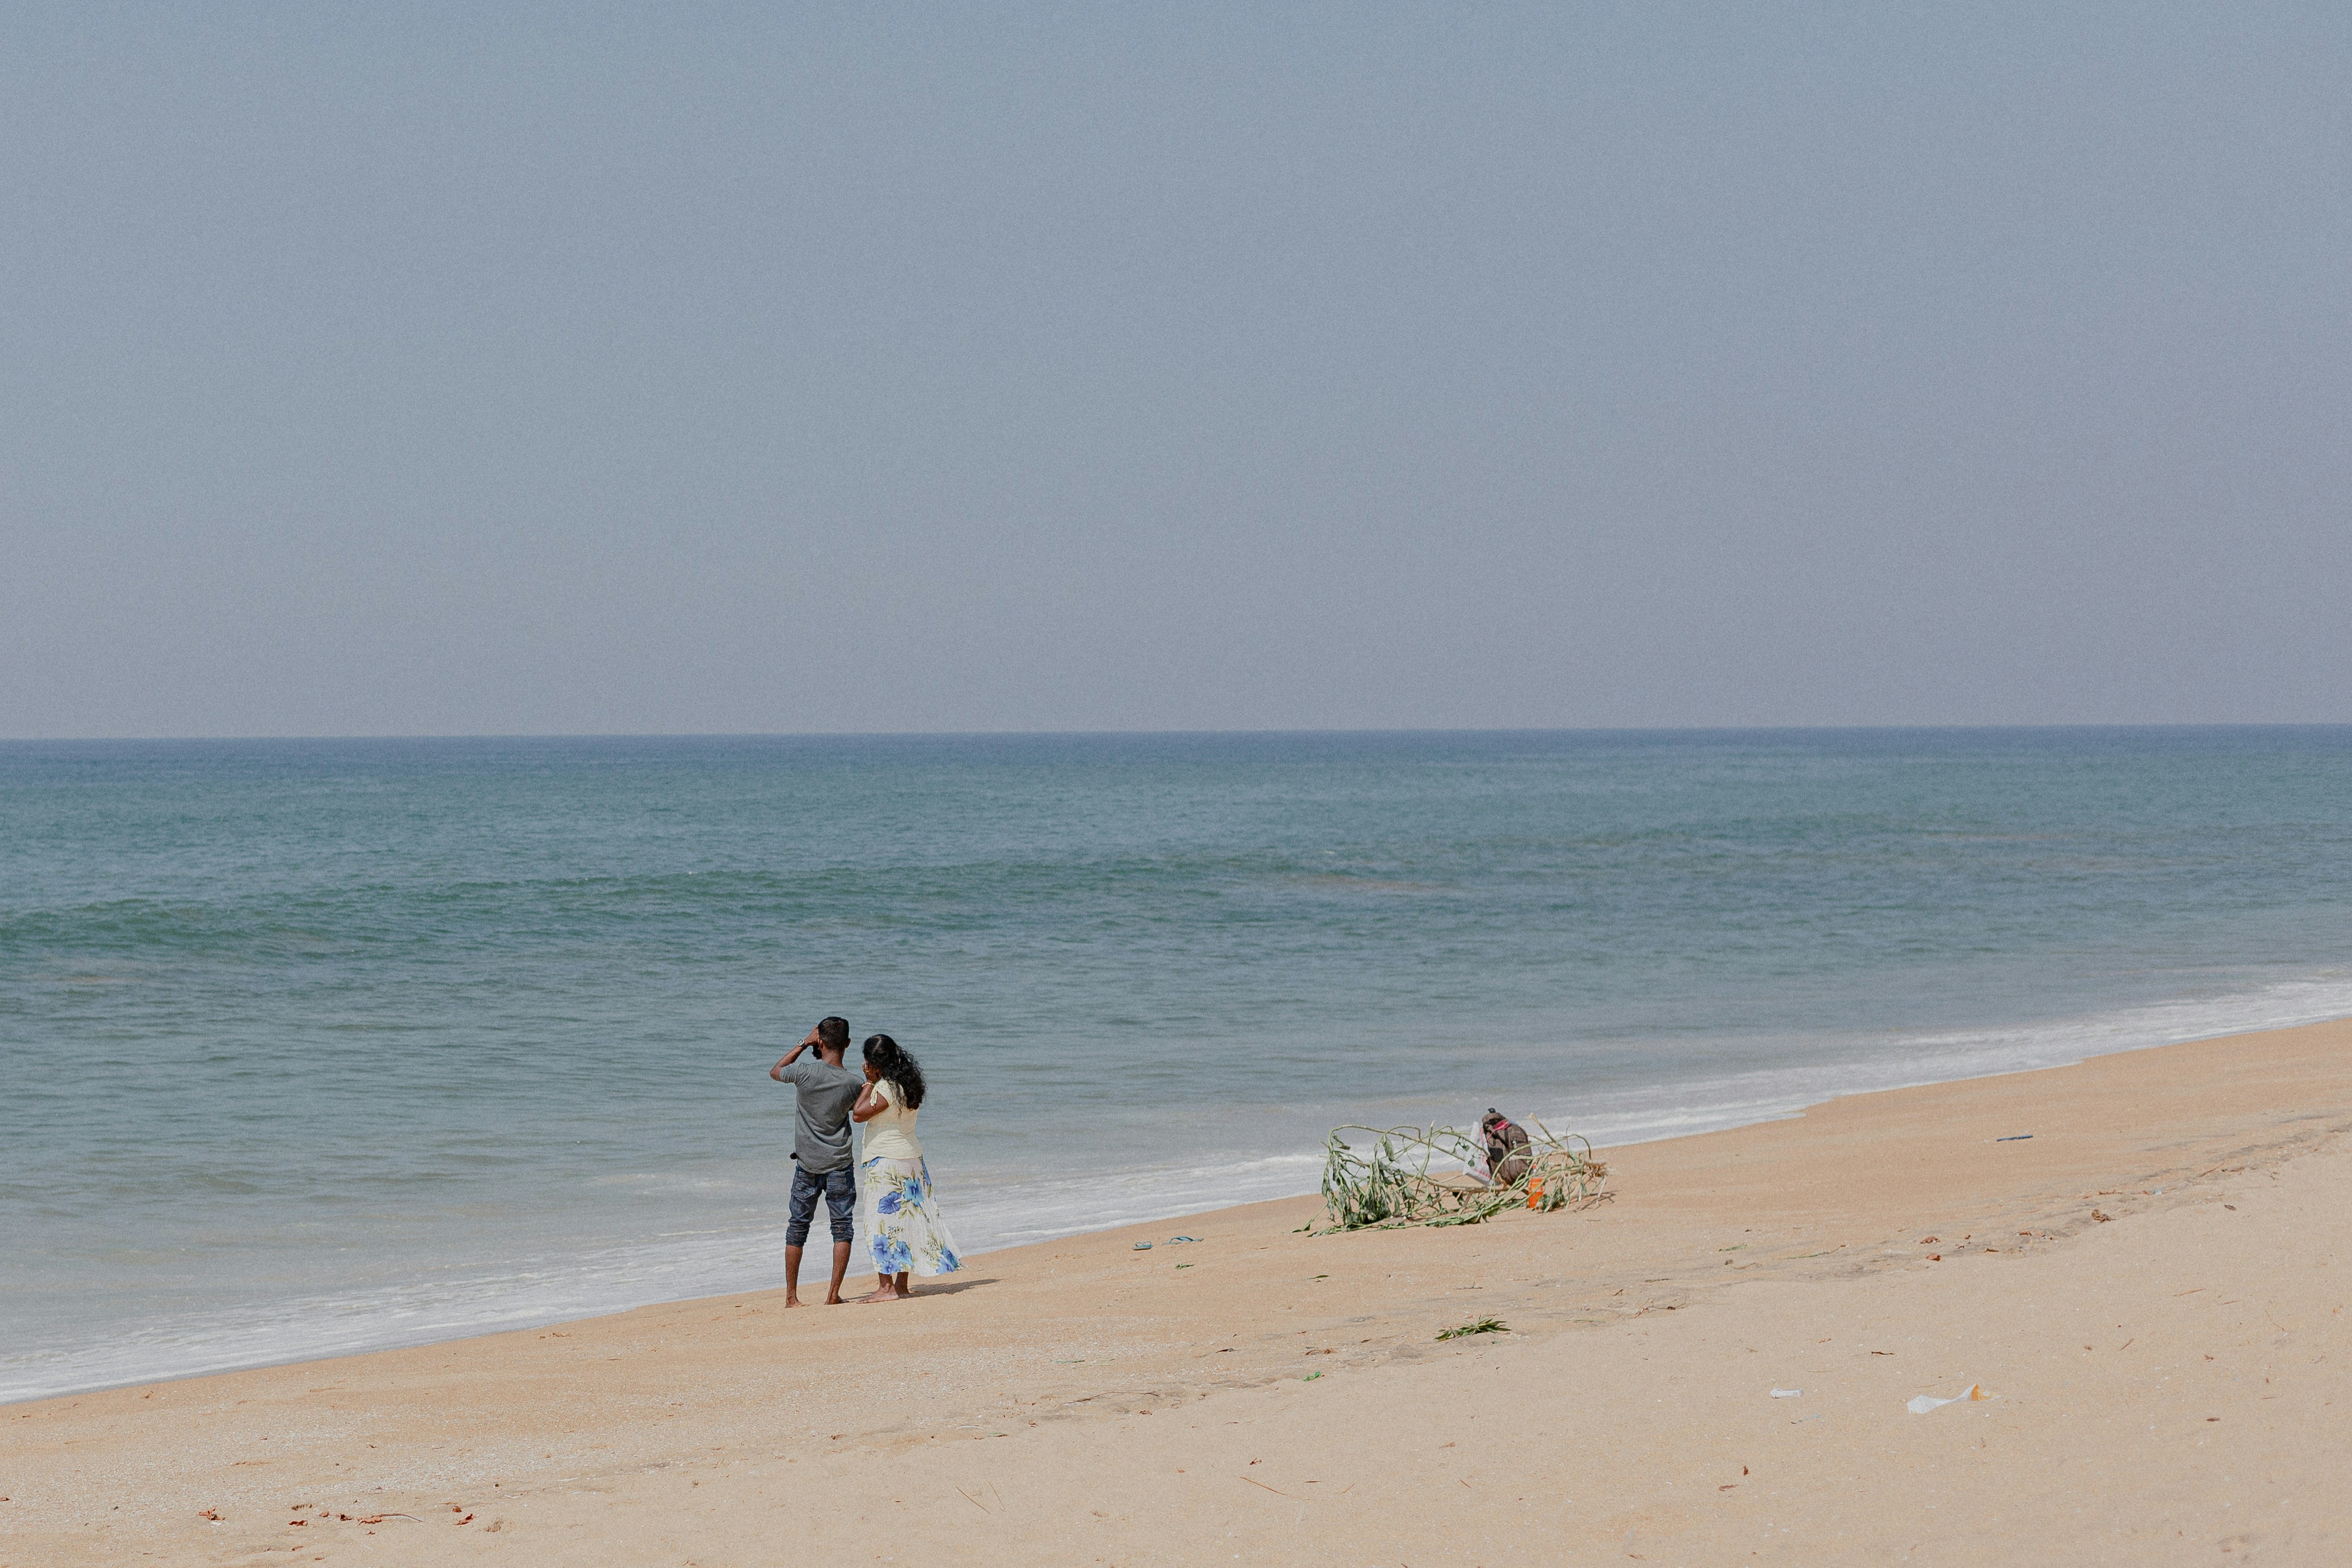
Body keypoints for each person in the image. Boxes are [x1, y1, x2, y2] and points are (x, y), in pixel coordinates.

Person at [850, 1034, 961, 1302]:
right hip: (910, 1158)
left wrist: (869, 1083)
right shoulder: (909, 1083)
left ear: (874, 1063)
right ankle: (900, 1285)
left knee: (881, 1223)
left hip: (888, 1161)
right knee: (905, 1222)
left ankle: (886, 1288)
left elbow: (858, 1113)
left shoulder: (887, 1087)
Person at [768, 1016, 864, 1307]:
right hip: (839, 1166)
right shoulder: (854, 1083)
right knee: (842, 1228)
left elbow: (775, 1071)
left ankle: (791, 1297)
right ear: (847, 1044)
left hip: (807, 1167)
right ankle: (833, 1295)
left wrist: (802, 1043)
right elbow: (861, 1113)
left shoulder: (805, 1073)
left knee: (797, 1228)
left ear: (819, 1042)